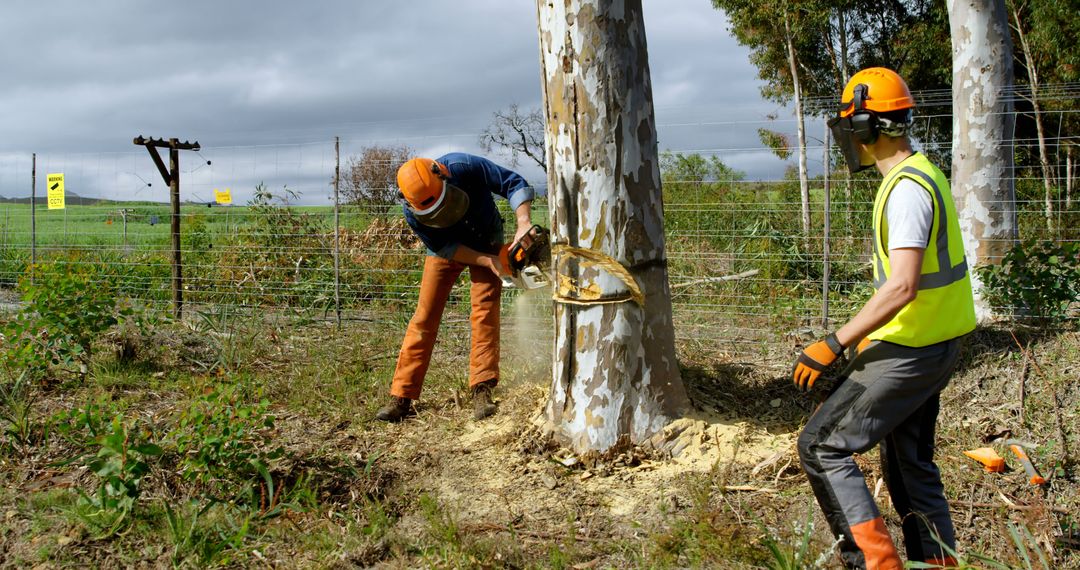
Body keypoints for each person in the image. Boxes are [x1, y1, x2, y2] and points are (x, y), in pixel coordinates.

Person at [793, 68, 976, 569]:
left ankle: (875, 565)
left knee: (822, 446)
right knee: (908, 466)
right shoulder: (918, 173)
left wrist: (834, 342)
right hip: (933, 344)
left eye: (851, 125)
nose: (847, 137)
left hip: (910, 351)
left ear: (868, 128)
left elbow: (902, 285)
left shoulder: (906, 191)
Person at [374, 152, 535, 423]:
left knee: (484, 311)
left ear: (444, 175)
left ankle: (481, 390)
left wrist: (523, 223)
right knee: (425, 317)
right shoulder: (411, 213)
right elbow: (446, 247)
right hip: (449, 250)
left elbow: (513, 183)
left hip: (487, 237)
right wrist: (487, 261)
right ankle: (402, 397)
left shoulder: (464, 166)